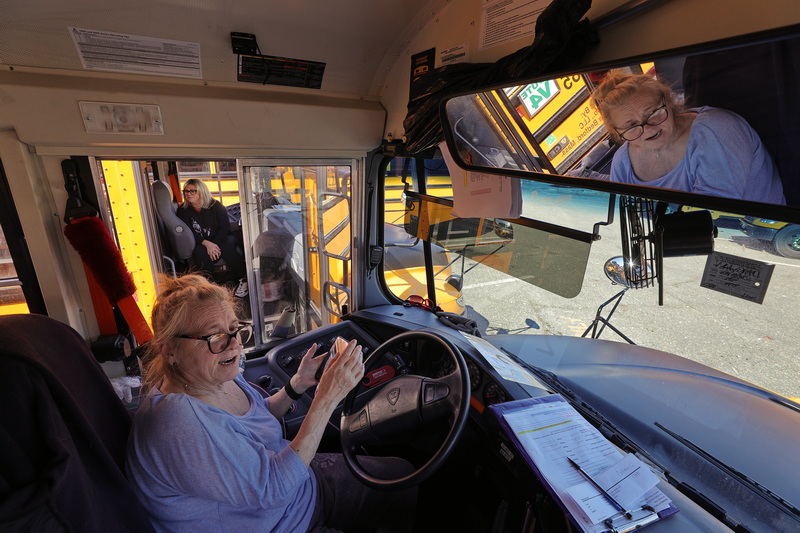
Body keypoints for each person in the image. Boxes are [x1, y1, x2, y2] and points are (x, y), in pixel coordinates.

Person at [126, 274, 416, 533]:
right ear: (169, 350)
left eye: (234, 329)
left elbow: (255, 417)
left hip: (299, 488)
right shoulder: (179, 423)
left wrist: (296, 385)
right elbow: (272, 488)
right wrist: (327, 398)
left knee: (403, 477)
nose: (235, 345)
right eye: (215, 336)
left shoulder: (213, 375)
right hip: (283, 522)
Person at [591, 70, 786, 205]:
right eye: (632, 126)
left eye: (652, 113)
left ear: (668, 100)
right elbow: (624, 218)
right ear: (618, 133)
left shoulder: (715, 131)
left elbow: (712, 219)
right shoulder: (622, 163)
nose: (648, 128)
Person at [176, 179, 249, 295]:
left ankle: (244, 278)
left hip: (222, 237)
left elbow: (224, 228)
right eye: (186, 191)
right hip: (201, 241)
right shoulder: (183, 210)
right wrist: (206, 243)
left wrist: (214, 245)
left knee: (226, 246)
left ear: (202, 191)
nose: (188, 194)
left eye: (193, 191)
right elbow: (188, 233)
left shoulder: (216, 206)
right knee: (199, 251)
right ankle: (209, 285)